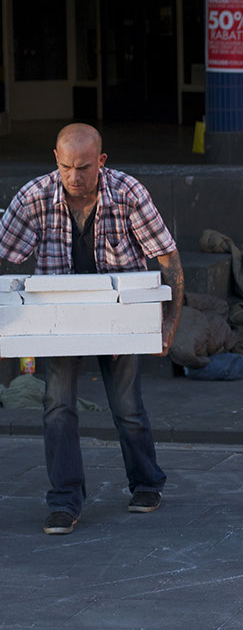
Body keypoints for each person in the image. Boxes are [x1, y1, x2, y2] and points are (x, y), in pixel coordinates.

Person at [0, 123, 184, 535]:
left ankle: (146, 483)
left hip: (119, 316)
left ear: (101, 161)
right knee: (57, 407)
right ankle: (64, 501)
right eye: (66, 166)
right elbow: (3, 254)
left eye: (84, 167)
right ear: (56, 159)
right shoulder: (33, 196)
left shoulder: (128, 193)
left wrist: (168, 324)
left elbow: (168, 258)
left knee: (127, 407)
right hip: (59, 317)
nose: (74, 176)